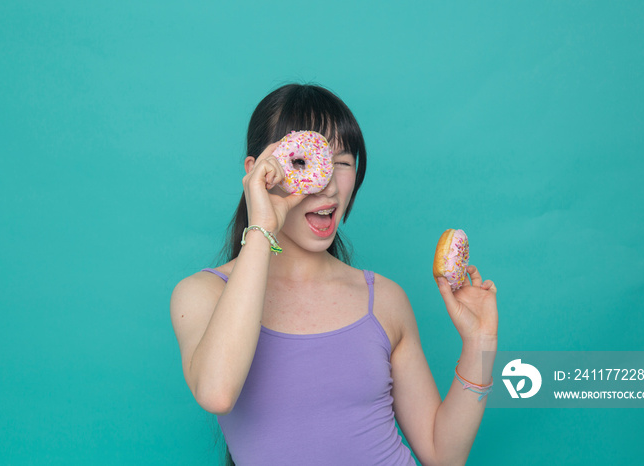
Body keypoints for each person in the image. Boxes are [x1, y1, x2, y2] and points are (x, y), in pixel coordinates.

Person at [170, 83, 499, 466]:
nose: (327, 184)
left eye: (341, 162)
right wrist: (263, 223)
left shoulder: (385, 299)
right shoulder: (202, 294)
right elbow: (217, 393)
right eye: (304, 161)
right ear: (257, 172)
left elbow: (443, 455)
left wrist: (480, 344)